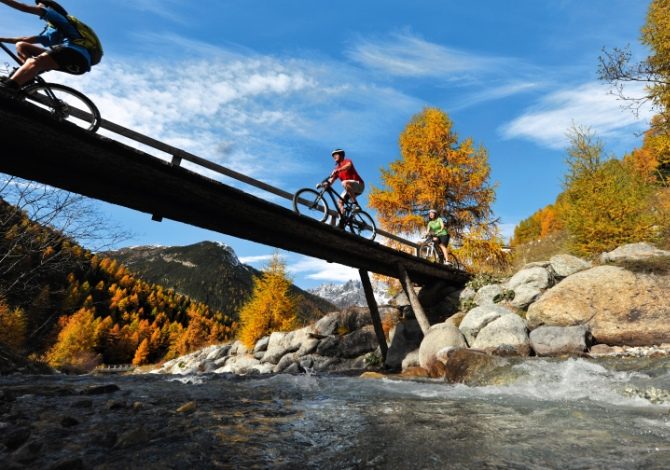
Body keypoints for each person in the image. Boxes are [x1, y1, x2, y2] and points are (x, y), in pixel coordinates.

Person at [0, 0, 97, 92]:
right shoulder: (53, 30)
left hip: (75, 54)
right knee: (22, 45)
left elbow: (25, 8)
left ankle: (8, 88)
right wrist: (2, 39)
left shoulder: (57, 16)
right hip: (74, 61)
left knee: (35, 61)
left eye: (40, 4)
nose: (38, 7)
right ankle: (26, 76)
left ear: (49, 7)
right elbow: (25, 40)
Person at [326, 148, 365, 214]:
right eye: (333, 156)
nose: (334, 157)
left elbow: (348, 166)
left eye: (336, 154)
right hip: (349, 188)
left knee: (344, 182)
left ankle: (356, 205)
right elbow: (331, 180)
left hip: (359, 185)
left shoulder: (347, 161)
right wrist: (325, 184)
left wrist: (338, 170)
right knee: (340, 202)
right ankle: (343, 218)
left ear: (341, 155)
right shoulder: (337, 169)